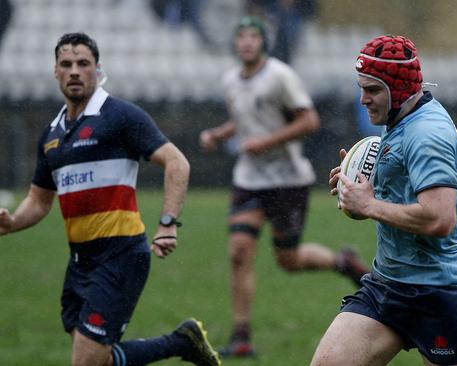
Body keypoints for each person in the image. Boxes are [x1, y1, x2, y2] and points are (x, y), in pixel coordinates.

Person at [0, 32, 221, 366]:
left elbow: (177, 162)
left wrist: (167, 224)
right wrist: (13, 222)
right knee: (97, 358)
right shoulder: (51, 135)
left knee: (86, 361)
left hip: (120, 255)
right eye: (66, 64)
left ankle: (181, 342)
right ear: (55, 72)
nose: (74, 70)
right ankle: (181, 342)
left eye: (83, 64)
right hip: (80, 262)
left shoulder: (120, 116)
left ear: (97, 70)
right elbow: (39, 199)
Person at [311, 35, 457, 366]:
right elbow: (402, 179)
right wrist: (362, 185)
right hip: (388, 286)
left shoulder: (427, 135)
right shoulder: (400, 119)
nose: (362, 99)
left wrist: (369, 205)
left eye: (373, 90)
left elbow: (440, 218)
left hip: (437, 293)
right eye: (360, 87)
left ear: (400, 90)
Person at [198, 16, 369, 358]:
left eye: (253, 36)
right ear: (234, 44)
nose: (247, 42)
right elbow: (246, 118)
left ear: (263, 42)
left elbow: (309, 120)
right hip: (249, 179)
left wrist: (267, 142)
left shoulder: (280, 76)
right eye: (241, 37)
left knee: (288, 259)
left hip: (287, 180)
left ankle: (343, 262)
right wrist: (220, 134)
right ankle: (242, 336)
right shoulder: (231, 79)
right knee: (239, 252)